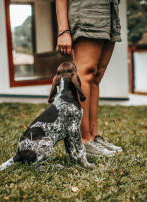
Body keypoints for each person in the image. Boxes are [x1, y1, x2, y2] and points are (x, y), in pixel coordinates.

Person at [56, 0, 123, 155]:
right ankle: (83, 140)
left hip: (110, 9)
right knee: (85, 74)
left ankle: (93, 136)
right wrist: (63, 30)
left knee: (96, 76)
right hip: (87, 10)